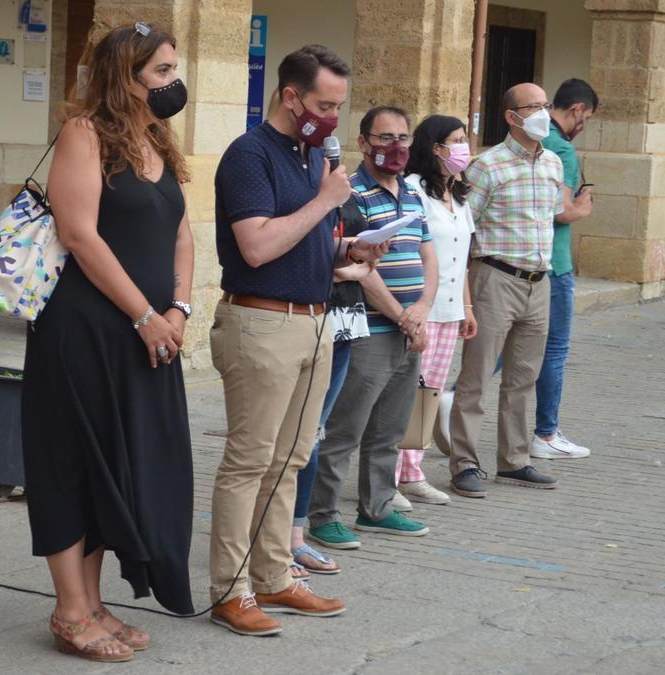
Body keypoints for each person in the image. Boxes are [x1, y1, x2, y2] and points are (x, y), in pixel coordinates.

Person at [20, 22, 195, 663]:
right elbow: (80, 234)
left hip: (146, 332)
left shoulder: (156, 138)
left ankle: (94, 602)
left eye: (174, 69)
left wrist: (177, 307)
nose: (174, 82)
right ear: (125, 76)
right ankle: (70, 610)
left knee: (115, 468)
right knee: (72, 461)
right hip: (86, 330)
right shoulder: (84, 134)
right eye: (161, 72)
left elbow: (181, 232)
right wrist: (145, 314)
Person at [208, 44, 386, 637]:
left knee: (290, 460)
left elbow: (304, 239)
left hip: (315, 320)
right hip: (261, 322)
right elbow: (256, 246)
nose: (333, 118)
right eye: (323, 104)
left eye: (339, 105)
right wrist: (323, 203)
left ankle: (274, 577)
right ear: (290, 95)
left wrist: (350, 249)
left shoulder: (314, 157)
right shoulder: (248, 155)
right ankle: (229, 591)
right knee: (250, 461)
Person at [307, 105, 436, 549]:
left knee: (390, 430)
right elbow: (363, 266)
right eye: (385, 139)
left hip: (409, 328)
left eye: (403, 138)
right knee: (346, 429)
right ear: (362, 143)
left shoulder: (413, 193)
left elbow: (427, 255)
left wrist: (422, 308)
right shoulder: (351, 193)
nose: (396, 147)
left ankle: (377, 508)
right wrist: (401, 315)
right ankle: (322, 516)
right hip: (370, 330)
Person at [448, 82, 566, 498]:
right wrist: (463, 295)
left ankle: (514, 460)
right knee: (476, 376)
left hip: (539, 281)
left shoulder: (553, 162)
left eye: (545, 105)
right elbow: (464, 228)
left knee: (523, 377)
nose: (543, 114)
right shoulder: (487, 166)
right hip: (495, 278)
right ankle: (464, 463)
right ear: (512, 117)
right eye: (532, 107)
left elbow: (550, 217)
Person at [394, 115, 479, 505]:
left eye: (465, 139)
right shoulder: (412, 190)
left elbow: (460, 257)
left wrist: (467, 307)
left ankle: (413, 471)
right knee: (407, 393)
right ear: (435, 148)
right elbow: (410, 251)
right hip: (420, 307)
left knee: (429, 393)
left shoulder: (458, 194)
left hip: (449, 311)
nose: (464, 147)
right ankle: (389, 474)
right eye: (456, 141)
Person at [288, 197, 373, 579]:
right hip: (301, 315)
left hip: (343, 320)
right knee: (287, 438)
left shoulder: (344, 193)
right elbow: (296, 254)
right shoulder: (294, 186)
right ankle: (269, 540)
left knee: (313, 434)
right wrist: (345, 272)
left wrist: (360, 261)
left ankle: (294, 537)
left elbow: (359, 258)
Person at [530, 78, 597, 460]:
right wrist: (584, 207)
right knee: (554, 347)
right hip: (555, 262)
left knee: (519, 341)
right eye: (586, 117)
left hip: (526, 259)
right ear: (578, 110)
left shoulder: (537, 142)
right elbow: (562, 210)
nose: (583, 123)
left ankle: (454, 395)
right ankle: (546, 433)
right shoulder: (564, 151)